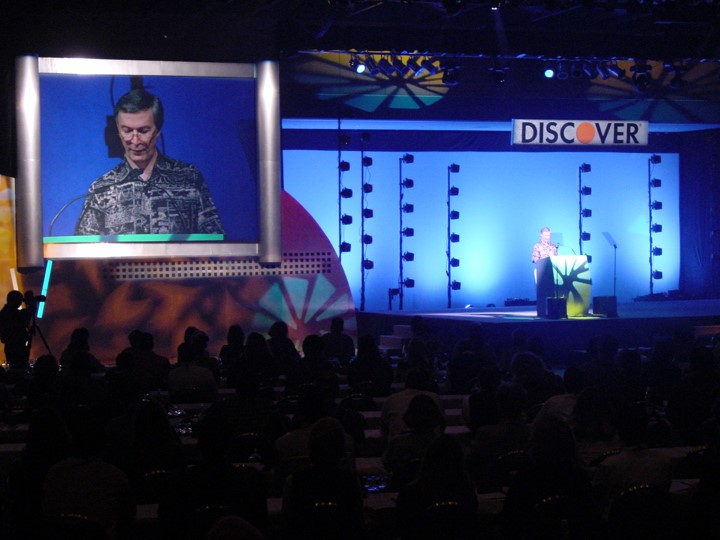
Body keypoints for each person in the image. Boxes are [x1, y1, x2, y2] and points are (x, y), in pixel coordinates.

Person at [75, 88, 224, 235]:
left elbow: (214, 242)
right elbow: (83, 253)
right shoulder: (102, 189)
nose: (135, 140)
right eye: (127, 131)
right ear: (118, 130)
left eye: (143, 131)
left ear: (158, 130)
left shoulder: (189, 177)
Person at [0, 290, 32, 370]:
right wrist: (29, 303)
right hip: (16, 347)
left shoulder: (4, 312)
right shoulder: (11, 314)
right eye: (20, 300)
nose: (21, 302)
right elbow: (26, 314)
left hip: (11, 346)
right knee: (19, 369)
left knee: (14, 369)